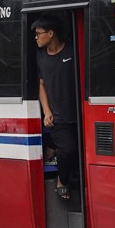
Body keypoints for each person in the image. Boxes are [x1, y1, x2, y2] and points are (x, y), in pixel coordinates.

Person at [33, 16, 79, 201]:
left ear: (51, 34)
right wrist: (47, 111)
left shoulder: (72, 52)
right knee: (68, 150)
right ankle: (62, 182)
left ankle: (51, 146)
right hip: (58, 117)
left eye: (38, 34)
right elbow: (41, 84)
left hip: (78, 113)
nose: (35, 38)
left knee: (76, 152)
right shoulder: (40, 56)